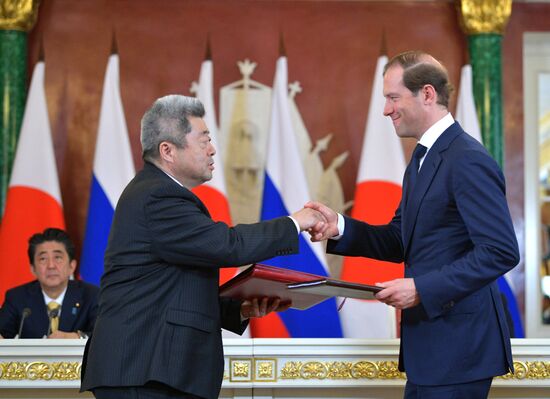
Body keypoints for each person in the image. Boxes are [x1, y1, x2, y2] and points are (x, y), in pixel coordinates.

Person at [80, 95, 326, 399]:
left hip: (150, 369)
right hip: (143, 369)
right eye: (203, 140)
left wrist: (238, 309)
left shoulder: (156, 192)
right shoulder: (159, 197)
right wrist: (295, 222)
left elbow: (171, 287)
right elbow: (228, 245)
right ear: (167, 150)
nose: (212, 149)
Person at [307, 50, 520, 398]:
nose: (386, 110)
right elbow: (398, 240)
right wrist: (341, 227)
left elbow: (500, 251)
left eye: (393, 98)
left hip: (459, 350)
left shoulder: (466, 159)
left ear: (427, 94)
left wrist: (422, 287)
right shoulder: (422, 159)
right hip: (432, 351)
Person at [0, 228, 99, 339]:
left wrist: (77, 337)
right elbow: (2, 332)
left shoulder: (92, 295)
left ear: (72, 266)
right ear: (33, 269)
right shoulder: (17, 297)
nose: (51, 265)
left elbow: (104, 335)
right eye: (43, 259)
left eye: (58, 258)